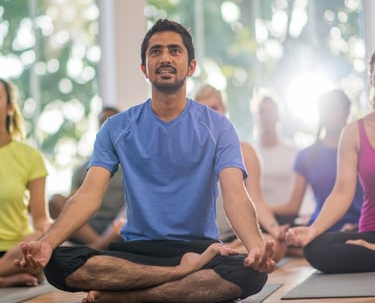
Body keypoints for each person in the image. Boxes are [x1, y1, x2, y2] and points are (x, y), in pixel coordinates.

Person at [16, 19, 275, 303]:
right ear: (144, 68)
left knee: (251, 273)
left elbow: (236, 195)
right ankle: (179, 276)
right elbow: (88, 195)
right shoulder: (116, 128)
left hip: (199, 248)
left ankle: (126, 298)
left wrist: (255, 249)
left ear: (191, 67)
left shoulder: (219, 127)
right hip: (137, 252)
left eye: (175, 50)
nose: (165, 57)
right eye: (155, 52)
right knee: (58, 263)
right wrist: (48, 243)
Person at [285, 51, 375, 273]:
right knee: (317, 248)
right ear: (372, 78)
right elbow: (342, 192)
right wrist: (312, 230)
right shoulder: (354, 132)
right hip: (369, 233)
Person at [194, 83, 288, 262]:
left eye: (214, 108)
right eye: (203, 109)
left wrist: (275, 229)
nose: (210, 115)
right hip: (199, 238)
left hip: (234, 237)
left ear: (224, 111)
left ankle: (224, 252)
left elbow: (256, 199)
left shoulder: (245, 151)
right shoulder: (187, 152)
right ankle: (218, 253)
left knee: (273, 244)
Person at [273, 89, 362, 232]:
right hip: (320, 229)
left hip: (357, 226)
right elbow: (293, 207)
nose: (328, 114)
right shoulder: (306, 156)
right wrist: (258, 208)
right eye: (324, 109)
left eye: (334, 109)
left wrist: (358, 227)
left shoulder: (361, 150)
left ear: (346, 112)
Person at [48, 106, 124, 248]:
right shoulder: (83, 169)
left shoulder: (131, 164)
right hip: (89, 224)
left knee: (129, 213)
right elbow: (73, 202)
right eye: (103, 122)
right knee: (55, 201)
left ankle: (97, 247)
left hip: (117, 223)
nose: (106, 125)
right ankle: (100, 246)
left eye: (112, 121)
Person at [0, 78, 51, 287]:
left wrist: (50, 232)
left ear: (10, 108)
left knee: (41, 235)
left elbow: (40, 219)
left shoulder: (30, 157)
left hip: (15, 250)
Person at [254, 94, 315, 226]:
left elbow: (305, 196)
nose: (266, 116)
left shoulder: (293, 152)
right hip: (257, 219)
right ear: (256, 117)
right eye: (261, 112)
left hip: (288, 219)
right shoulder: (250, 154)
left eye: (270, 112)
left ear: (278, 117)